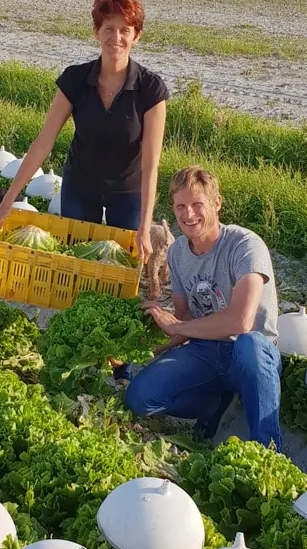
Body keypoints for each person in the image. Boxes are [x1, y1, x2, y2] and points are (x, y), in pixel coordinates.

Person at [0, 0, 169, 264]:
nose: (116, 38)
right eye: (108, 28)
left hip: (128, 189)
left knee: (123, 262)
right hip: (81, 184)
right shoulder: (75, 79)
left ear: (136, 36)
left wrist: (145, 226)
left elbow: (151, 163)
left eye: (125, 30)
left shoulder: (151, 90)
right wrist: (9, 199)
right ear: (97, 32)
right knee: (78, 259)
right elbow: (44, 142)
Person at [122, 166, 284, 451]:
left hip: (250, 354)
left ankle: (268, 448)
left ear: (217, 203)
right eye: (180, 206)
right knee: (139, 397)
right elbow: (184, 317)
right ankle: (211, 407)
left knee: (250, 345)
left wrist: (178, 327)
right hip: (206, 349)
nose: (188, 214)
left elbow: (241, 321)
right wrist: (140, 348)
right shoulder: (177, 253)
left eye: (197, 204)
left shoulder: (245, 245)